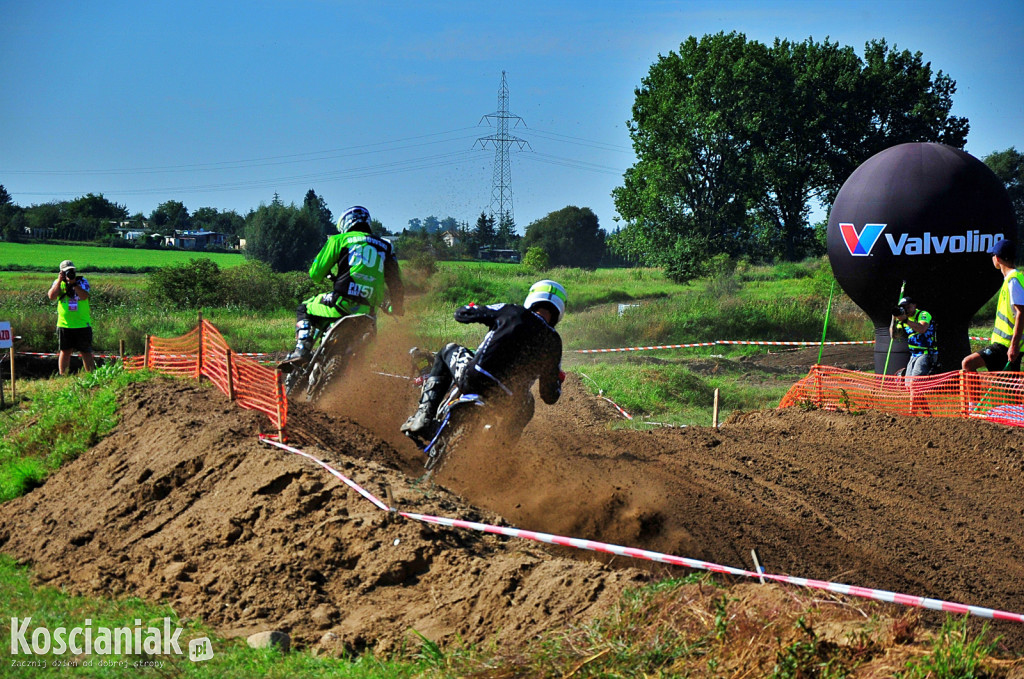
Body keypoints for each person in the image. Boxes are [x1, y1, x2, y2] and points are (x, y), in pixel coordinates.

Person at [401, 279, 567, 443]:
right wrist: (557, 381)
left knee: (447, 350)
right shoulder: (554, 343)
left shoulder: (512, 311)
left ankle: (423, 417)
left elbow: (461, 315)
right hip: (506, 400)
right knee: (528, 405)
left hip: (474, 379)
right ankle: (501, 450)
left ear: (532, 298)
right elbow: (549, 396)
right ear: (560, 310)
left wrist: (472, 308)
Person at [280, 206, 404, 367]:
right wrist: (397, 306)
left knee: (304, 308)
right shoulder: (386, 246)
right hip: (368, 312)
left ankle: (302, 349)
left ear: (345, 223)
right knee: (367, 351)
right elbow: (396, 282)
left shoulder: (338, 240)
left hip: (340, 304)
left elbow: (315, 273)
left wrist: (331, 275)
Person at [962, 239, 1023, 373]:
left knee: (968, 363)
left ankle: (973, 395)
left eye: (993, 255)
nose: (992, 258)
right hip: (1005, 345)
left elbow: (1021, 313)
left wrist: (1014, 345)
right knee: (1010, 390)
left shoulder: (1013, 280)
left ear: (998, 258)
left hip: (1006, 345)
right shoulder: (1014, 278)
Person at [46, 260, 95, 375]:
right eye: (67, 271)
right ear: (61, 272)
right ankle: (64, 375)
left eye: (72, 270)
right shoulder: (58, 283)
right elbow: (51, 296)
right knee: (65, 351)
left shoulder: (82, 281)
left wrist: (73, 283)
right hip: (64, 324)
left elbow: (84, 296)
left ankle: (91, 375)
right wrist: (59, 281)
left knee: (86, 351)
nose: (70, 273)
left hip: (82, 323)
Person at [889, 296, 937, 376]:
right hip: (913, 354)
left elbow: (922, 329)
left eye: (908, 306)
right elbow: (894, 335)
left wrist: (905, 320)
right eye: (903, 307)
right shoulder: (904, 319)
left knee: (915, 381)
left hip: (926, 352)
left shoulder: (923, 314)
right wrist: (894, 319)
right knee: (907, 383)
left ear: (914, 305)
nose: (906, 309)